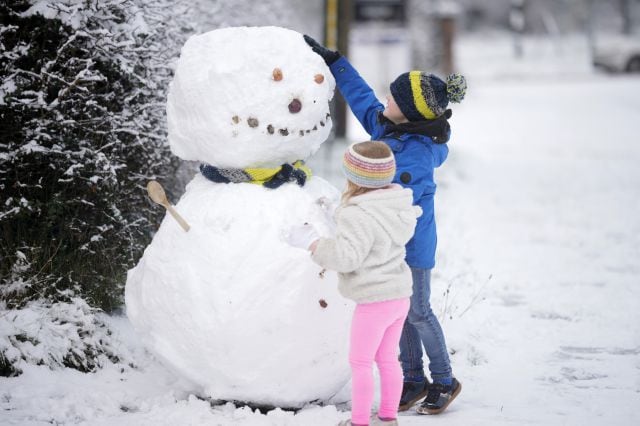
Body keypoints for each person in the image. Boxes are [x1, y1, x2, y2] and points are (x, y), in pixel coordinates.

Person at [303, 35, 466, 415]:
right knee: (399, 310)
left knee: (418, 310)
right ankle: (412, 379)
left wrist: (352, 210)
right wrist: (335, 61)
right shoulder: (389, 128)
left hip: (412, 246)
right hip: (389, 246)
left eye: (392, 99)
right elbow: (362, 98)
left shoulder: (418, 155)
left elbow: (393, 202)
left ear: (407, 113)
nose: (385, 102)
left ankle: (444, 379)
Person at [287, 141, 422, 426]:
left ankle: (359, 421)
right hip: (399, 296)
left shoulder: (357, 214)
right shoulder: (394, 205)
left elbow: (347, 257)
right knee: (387, 359)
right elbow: (370, 238)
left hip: (374, 301)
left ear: (356, 177)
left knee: (361, 363)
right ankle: (388, 417)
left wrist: (312, 243)